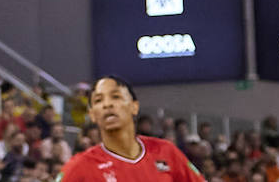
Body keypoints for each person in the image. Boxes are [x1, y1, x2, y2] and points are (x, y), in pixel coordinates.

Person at [58, 77, 205, 182]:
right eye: (98, 100)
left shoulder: (166, 151)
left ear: (134, 107)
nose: (107, 105)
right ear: (92, 115)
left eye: (115, 97)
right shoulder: (80, 166)